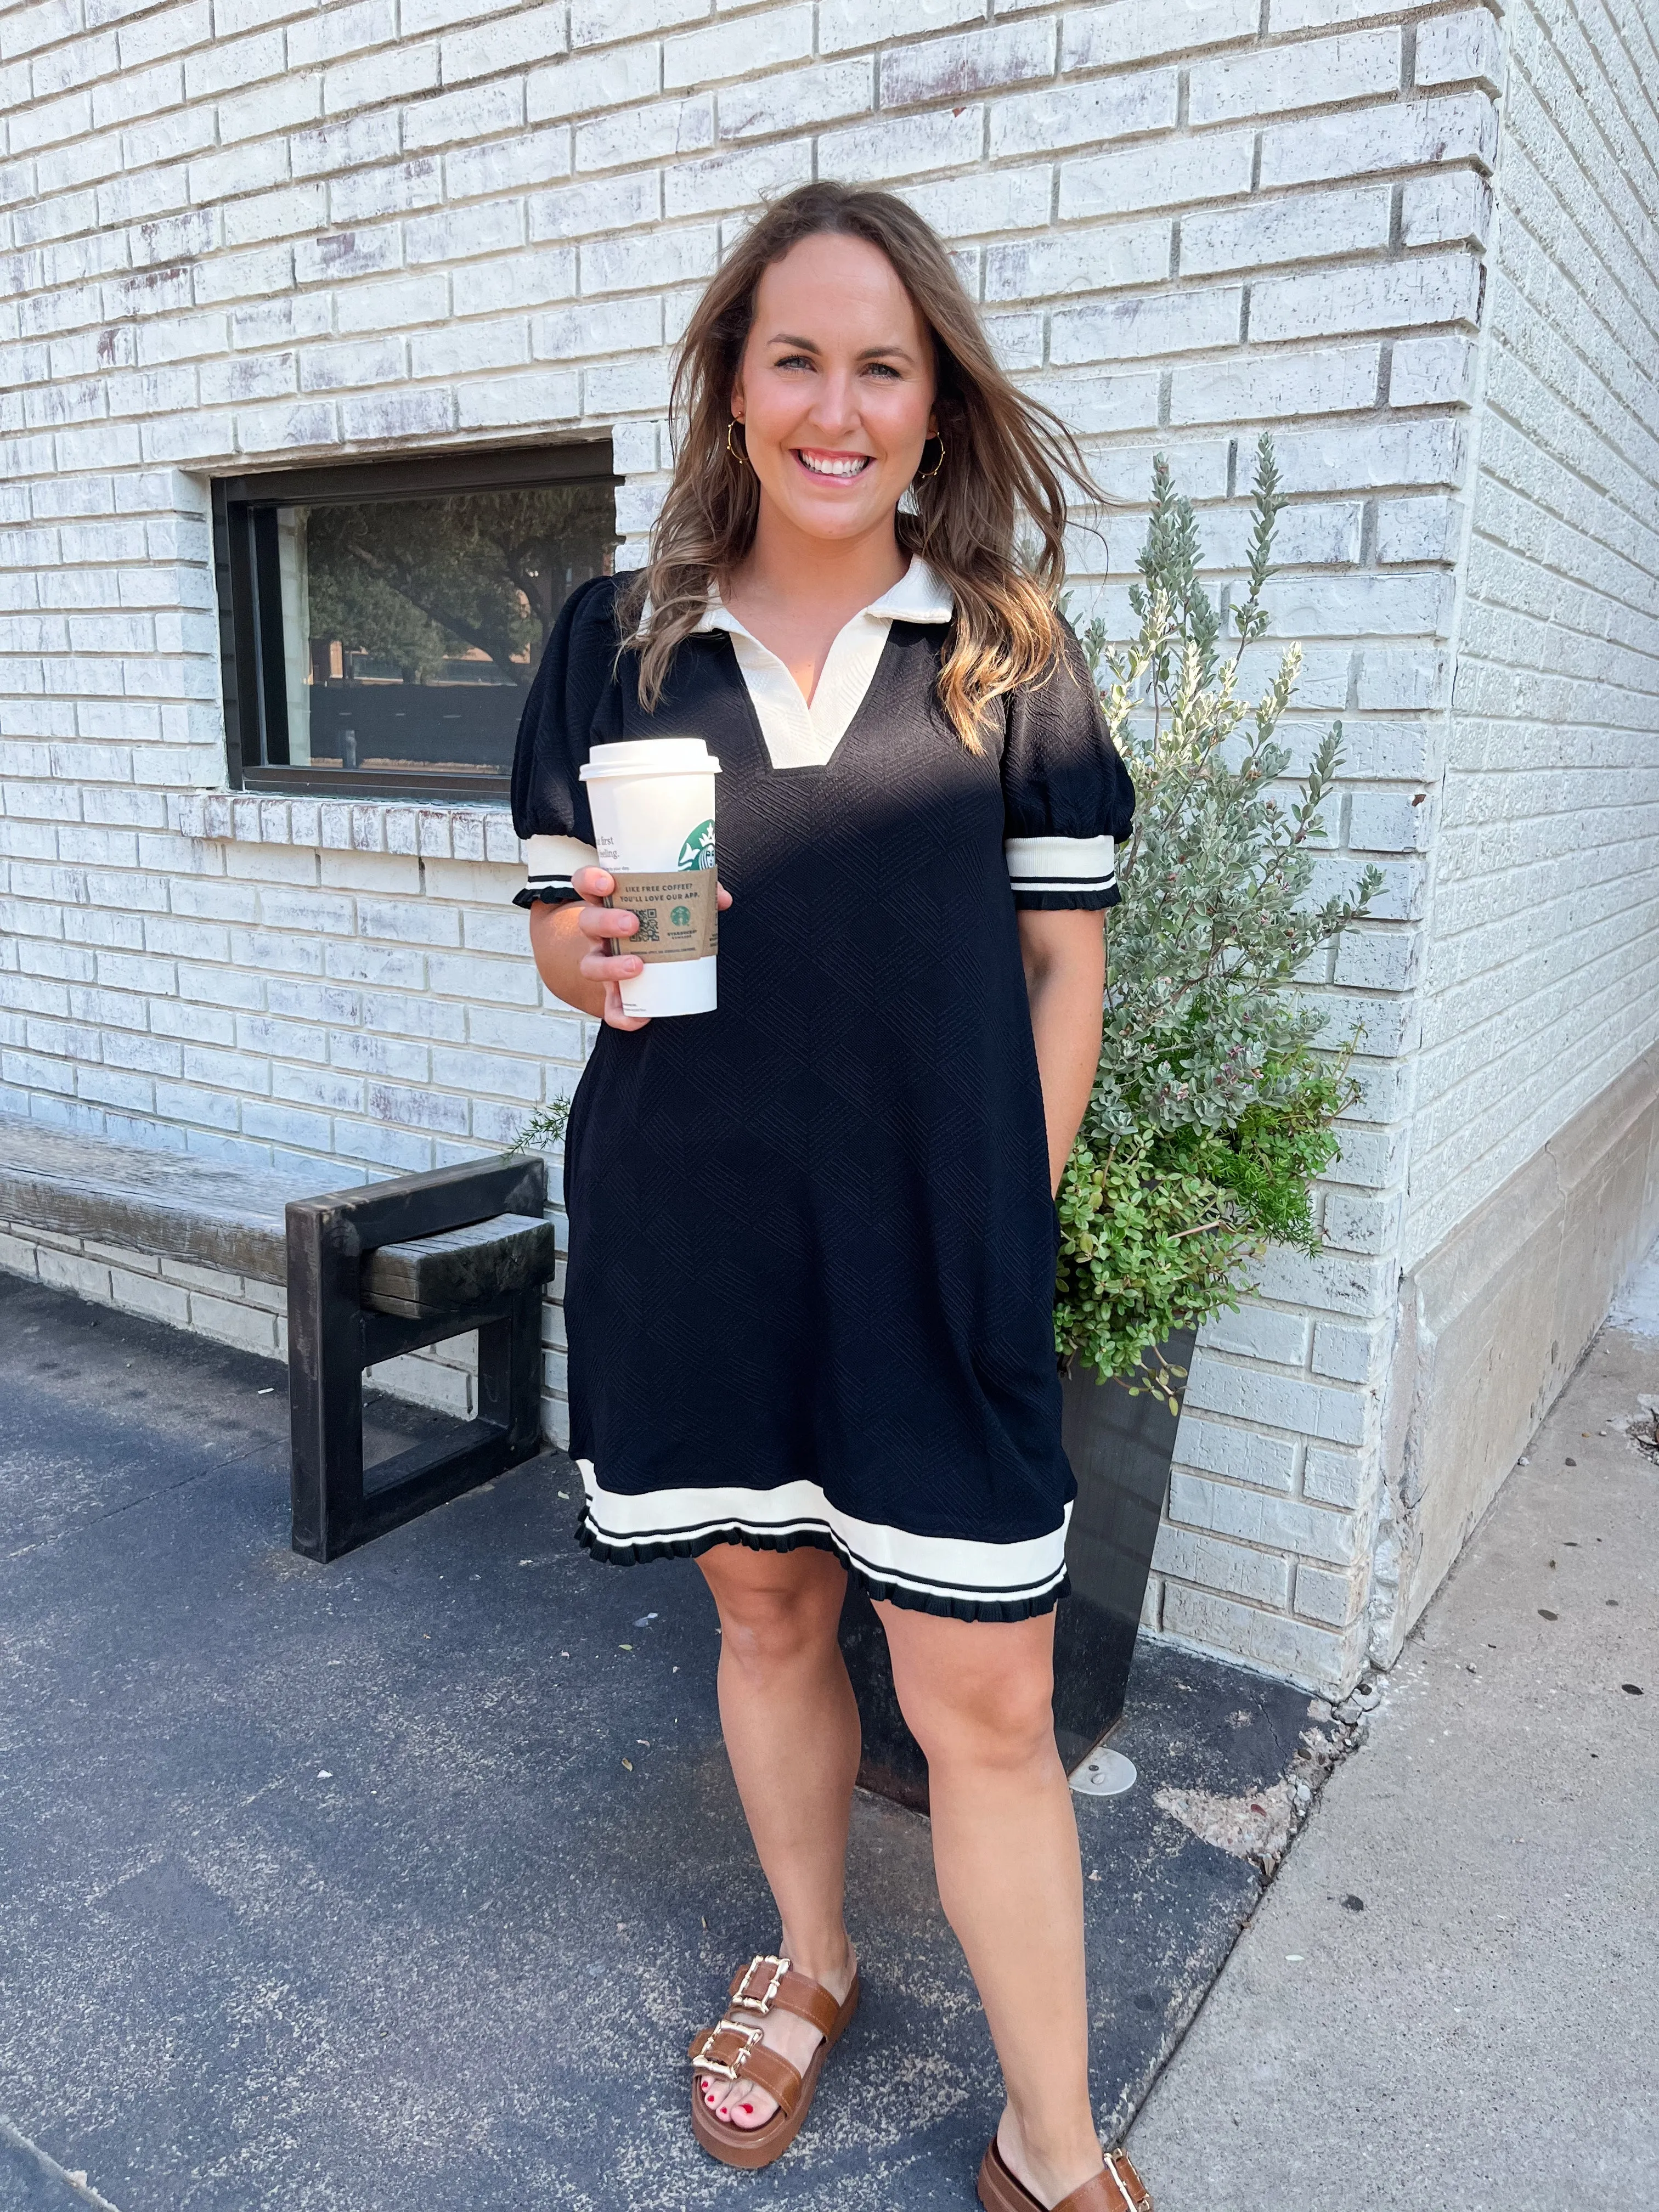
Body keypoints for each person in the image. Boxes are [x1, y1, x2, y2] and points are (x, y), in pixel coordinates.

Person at [512, 182, 1145, 2212]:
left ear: (938, 403)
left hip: (932, 1251)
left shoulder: (1011, 659)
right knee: (768, 1608)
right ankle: (814, 1958)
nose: (838, 405)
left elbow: (1066, 973)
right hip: (695, 1223)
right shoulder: (616, 639)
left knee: (991, 1691)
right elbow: (568, 926)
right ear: (735, 380)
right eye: (798, 356)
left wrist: (1002, 1213)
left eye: (885, 364)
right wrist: (589, 956)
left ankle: (1053, 2140)